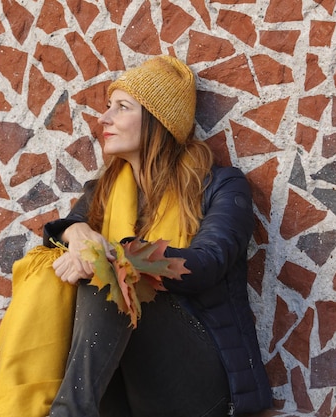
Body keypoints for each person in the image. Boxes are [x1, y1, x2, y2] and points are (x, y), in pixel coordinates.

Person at [41, 55, 273, 417]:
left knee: (110, 274)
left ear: (157, 121)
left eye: (122, 107)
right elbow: (63, 228)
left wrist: (117, 257)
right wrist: (81, 233)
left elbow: (207, 263)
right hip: (126, 386)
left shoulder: (222, 187)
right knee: (98, 264)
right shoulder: (103, 189)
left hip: (198, 385)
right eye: (107, 107)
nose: (104, 118)